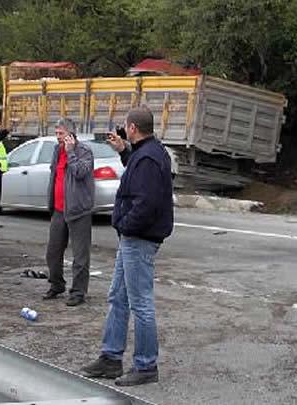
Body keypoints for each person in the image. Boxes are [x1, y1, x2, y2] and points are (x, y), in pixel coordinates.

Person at [80, 107, 174, 386]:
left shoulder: (148, 158)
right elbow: (140, 181)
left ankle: (146, 365)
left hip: (139, 238)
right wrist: (123, 151)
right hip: (133, 237)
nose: (123, 129)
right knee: (118, 297)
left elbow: (146, 202)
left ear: (133, 128)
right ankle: (111, 358)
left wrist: (125, 224)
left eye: (125, 127)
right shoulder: (147, 153)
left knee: (140, 302)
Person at [43, 118, 94, 307]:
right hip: (58, 209)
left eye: (61, 134)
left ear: (71, 135)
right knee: (53, 252)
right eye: (56, 133)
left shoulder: (84, 151)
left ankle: (78, 292)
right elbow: (55, 176)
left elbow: (80, 172)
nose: (57, 137)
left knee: (80, 255)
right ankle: (57, 285)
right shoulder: (57, 150)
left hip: (78, 210)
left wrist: (71, 152)